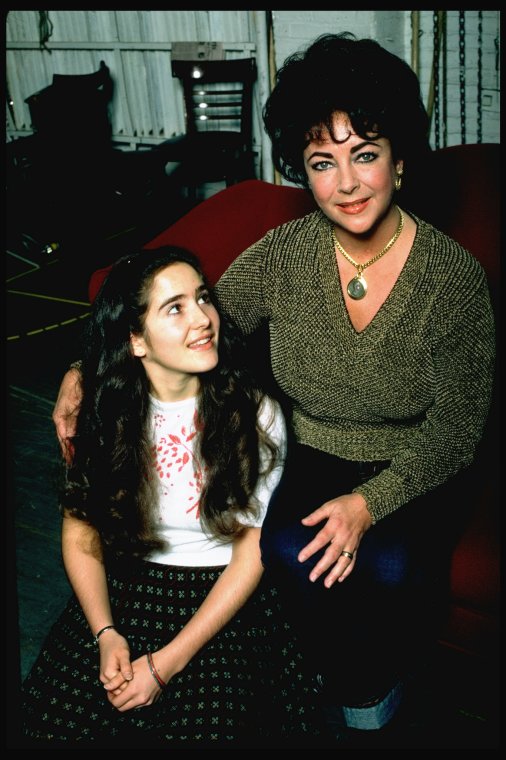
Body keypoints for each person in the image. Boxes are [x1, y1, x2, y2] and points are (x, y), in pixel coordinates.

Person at [51, 33, 496, 744]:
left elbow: (456, 431)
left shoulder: (452, 281)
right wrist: (82, 369)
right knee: (290, 548)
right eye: (324, 163)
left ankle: (376, 710)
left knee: (387, 561)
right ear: (303, 171)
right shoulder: (286, 255)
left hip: (414, 461)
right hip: (316, 445)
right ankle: (337, 694)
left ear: (402, 160)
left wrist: (367, 504)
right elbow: (195, 323)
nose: (347, 184)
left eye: (366, 154)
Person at [21, 246, 322, 747]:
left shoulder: (255, 413)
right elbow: (80, 528)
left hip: (222, 601)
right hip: (125, 590)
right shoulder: (101, 407)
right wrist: (105, 632)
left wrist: (166, 665)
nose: (204, 318)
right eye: (175, 307)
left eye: (203, 298)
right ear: (136, 340)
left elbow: (251, 550)